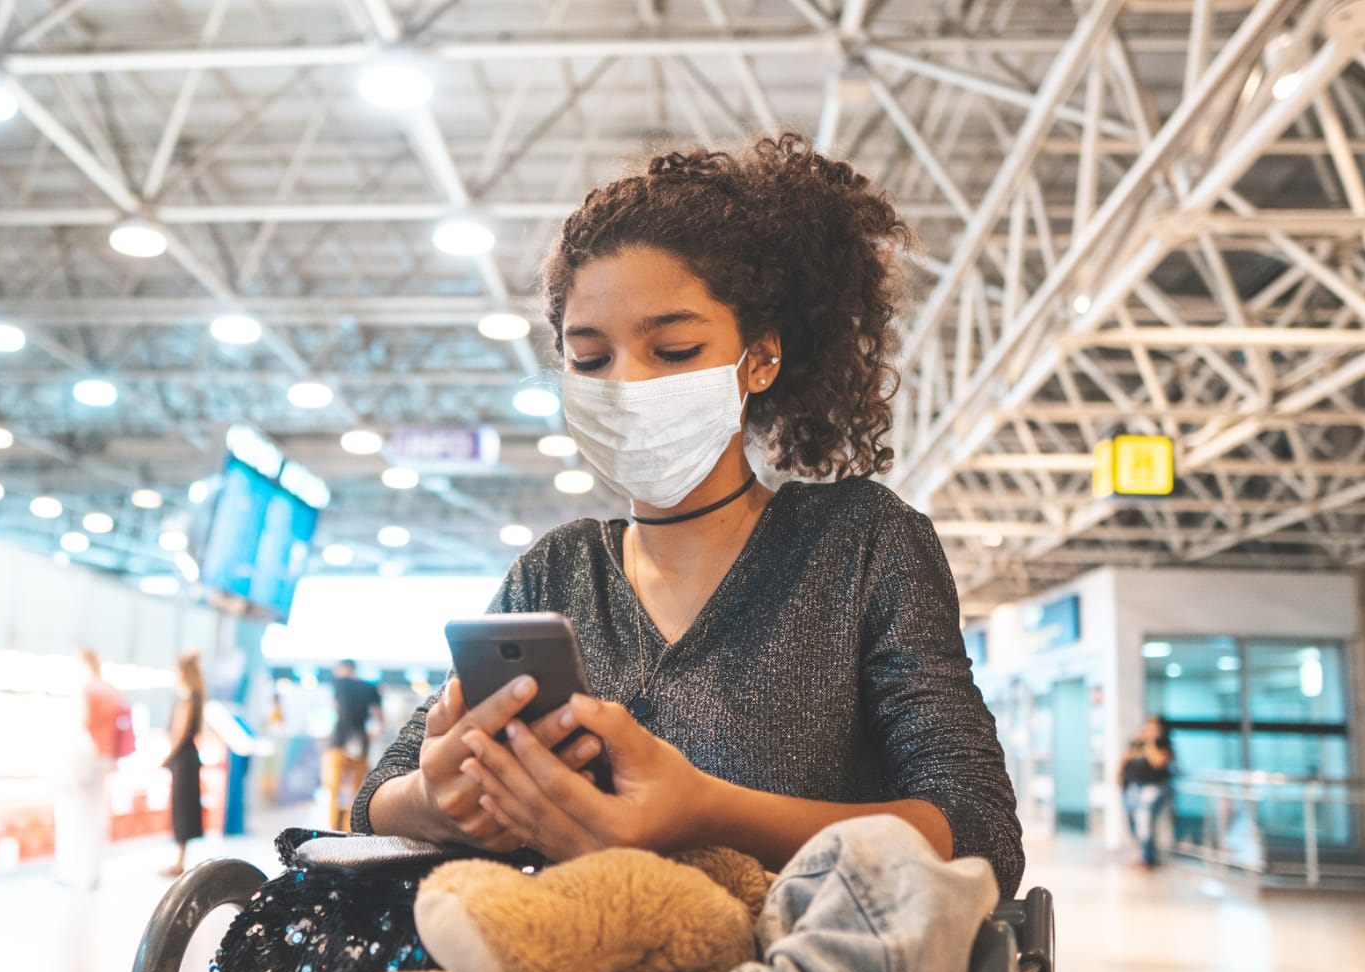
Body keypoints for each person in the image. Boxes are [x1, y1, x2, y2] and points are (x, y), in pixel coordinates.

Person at [353, 134, 1025, 898]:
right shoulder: (555, 571)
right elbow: (376, 795)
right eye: (591, 357)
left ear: (760, 357)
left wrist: (706, 812)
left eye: (672, 350)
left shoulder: (862, 545)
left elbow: (975, 831)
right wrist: (438, 800)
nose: (628, 384)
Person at [54, 649, 121, 889]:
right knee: (94, 816)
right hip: (103, 759)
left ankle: (71, 872)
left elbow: (78, 724)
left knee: (73, 816)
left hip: (83, 759)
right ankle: (90, 872)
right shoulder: (112, 691)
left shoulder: (86, 691)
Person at [324, 660, 383, 831]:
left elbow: (336, 708)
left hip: (339, 742)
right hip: (361, 744)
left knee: (334, 788)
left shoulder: (339, 684)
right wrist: (374, 731)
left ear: (343, 669)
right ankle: (350, 827)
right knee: (355, 790)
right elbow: (378, 716)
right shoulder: (370, 687)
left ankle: (333, 826)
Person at [164, 652, 207, 877]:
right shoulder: (195, 697)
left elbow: (179, 733)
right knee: (185, 808)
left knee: (182, 809)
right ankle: (179, 859)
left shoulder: (188, 699)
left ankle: (179, 861)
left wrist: (166, 757)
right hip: (187, 758)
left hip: (183, 759)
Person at [1119, 715, 1176, 867]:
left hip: (1152, 787)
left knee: (1144, 820)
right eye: (1148, 727)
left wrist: (1150, 742)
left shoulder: (1164, 746)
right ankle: (1140, 854)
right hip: (1132, 787)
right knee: (1133, 822)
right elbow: (1125, 760)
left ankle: (1147, 858)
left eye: (1154, 728)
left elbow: (1157, 762)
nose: (1150, 731)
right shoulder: (1136, 744)